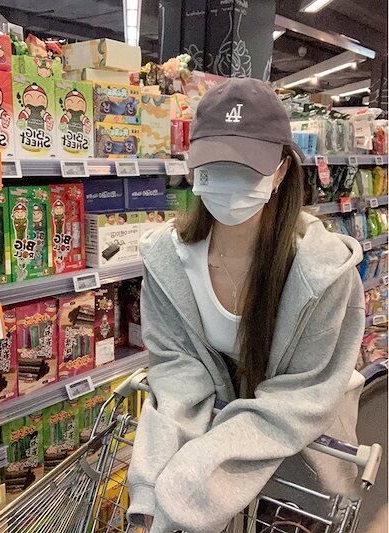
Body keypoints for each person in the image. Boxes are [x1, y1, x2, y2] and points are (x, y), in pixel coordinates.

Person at [127, 78, 365, 533]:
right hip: (212, 438)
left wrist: (195, 472)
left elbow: (302, 394)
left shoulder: (324, 272)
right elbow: (177, 370)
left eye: (247, 167)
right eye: (214, 165)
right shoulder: (166, 261)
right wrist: (152, 485)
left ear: (281, 171)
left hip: (303, 452)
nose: (228, 181)